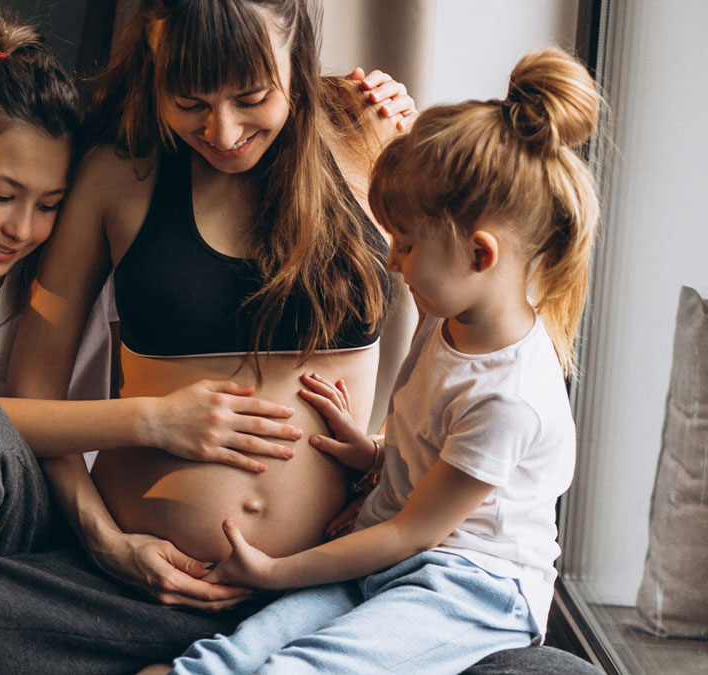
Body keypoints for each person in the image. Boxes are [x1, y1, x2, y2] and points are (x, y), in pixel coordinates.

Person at [0, 1, 449, 672]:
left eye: (251, 97)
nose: (224, 130)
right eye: (190, 100)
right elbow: (35, 395)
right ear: (154, 66)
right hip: (133, 589)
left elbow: (473, 328)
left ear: (296, 52)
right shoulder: (119, 175)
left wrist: (383, 452)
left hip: (323, 591)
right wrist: (108, 541)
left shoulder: (375, 142)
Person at [167, 47, 601, 674]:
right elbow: (438, 468)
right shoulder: (447, 318)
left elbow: (415, 531)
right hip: (396, 556)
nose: (392, 261)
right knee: (223, 659)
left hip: (468, 586)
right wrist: (376, 454)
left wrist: (273, 572)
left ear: (480, 255)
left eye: (405, 244)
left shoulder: (512, 396)